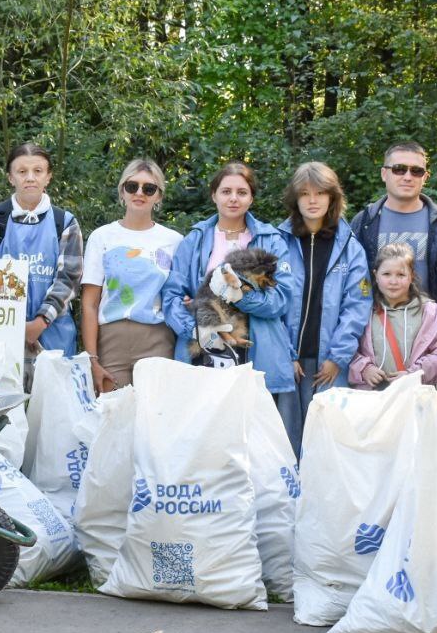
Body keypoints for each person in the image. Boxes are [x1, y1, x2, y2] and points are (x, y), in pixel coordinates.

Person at [161, 161, 297, 400]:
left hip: (257, 351)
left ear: (251, 198)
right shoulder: (194, 240)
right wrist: (194, 329)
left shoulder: (271, 240)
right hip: (204, 347)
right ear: (214, 195)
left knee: (252, 430)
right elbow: (171, 295)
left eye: (242, 192)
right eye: (226, 191)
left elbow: (281, 300)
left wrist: (240, 296)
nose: (233, 198)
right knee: (205, 427)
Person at [275, 162, 371, 454]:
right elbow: (270, 304)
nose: (312, 200)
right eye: (304, 193)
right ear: (295, 199)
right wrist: (284, 354)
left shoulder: (350, 247)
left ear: (332, 197)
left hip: (330, 361)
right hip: (288, 360)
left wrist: (338, 357)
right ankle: (288, 498)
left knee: (329, 438)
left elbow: (357, 305)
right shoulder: (278, 241)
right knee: (285, 438)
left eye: (320, 193)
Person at [0, 143, 83, 383]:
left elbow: (69, 278)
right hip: (2, 336)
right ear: (11, 177)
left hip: (54, 334)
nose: (30, 178)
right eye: (22, 172)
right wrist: (15, 324)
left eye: (38, 171)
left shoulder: (65, 222)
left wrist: (40, 322)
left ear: (48, 176)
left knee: (54, 412)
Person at [80, 159, 182, 392]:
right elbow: (90, 303)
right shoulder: (102, 237)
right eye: (132, 186)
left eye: (149, 188)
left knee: (155, 419)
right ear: (122, 191)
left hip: (158, 339)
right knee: (113, 417)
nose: (139, 193)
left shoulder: (174, 241)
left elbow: (178, 296)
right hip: (111, 340)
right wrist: (92, 358)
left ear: (158, 196)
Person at [349, 141, 437, 322]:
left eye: (416, 171)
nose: (408, 176)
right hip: (373, 329)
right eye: (399, 169)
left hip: (428, 331)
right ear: (384, 174)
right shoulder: (365, 222)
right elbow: (350, 278)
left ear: (425, 177)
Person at [349, 243, 437, 389]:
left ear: (412, 276)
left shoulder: (431, 313)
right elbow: (348, 347)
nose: (393, 281)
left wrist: (413, 375)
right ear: (375, 275)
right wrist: (364, 369)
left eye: (401, 275)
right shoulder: (363, 312)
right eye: (386, 274)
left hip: (415, 397)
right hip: (371, 399)